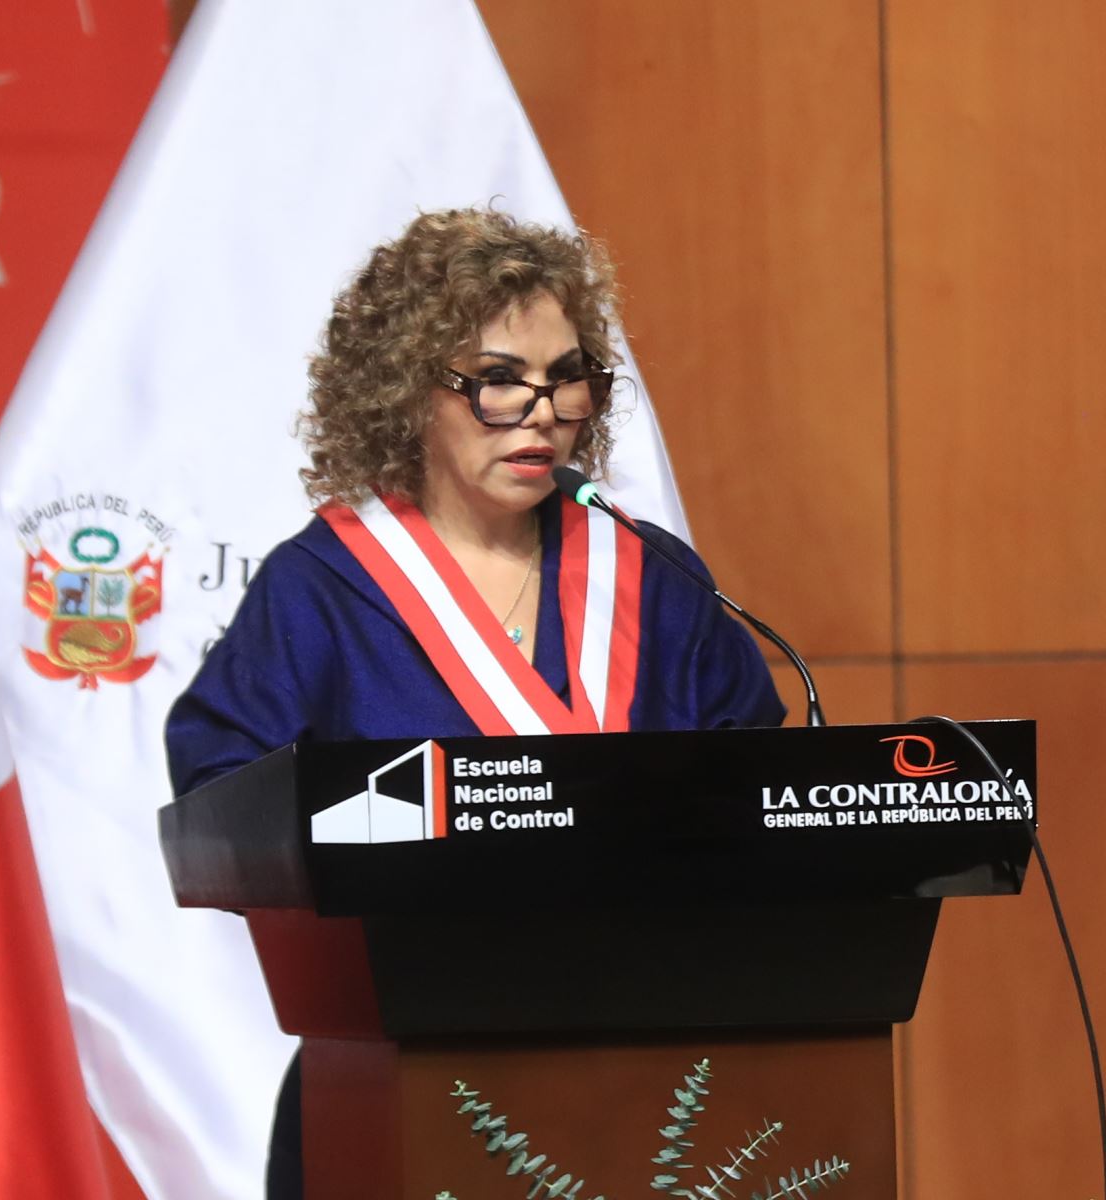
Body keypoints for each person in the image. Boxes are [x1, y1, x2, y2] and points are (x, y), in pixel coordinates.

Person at [163, 208, 785, 1198]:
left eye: (567, 377)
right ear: (406, 391)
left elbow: (764, 793)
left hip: (650, 1089)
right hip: (395, 1080)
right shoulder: (323, 589)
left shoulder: (655, 580)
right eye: (498, 381)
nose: (541, 413)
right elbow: (220, 797)